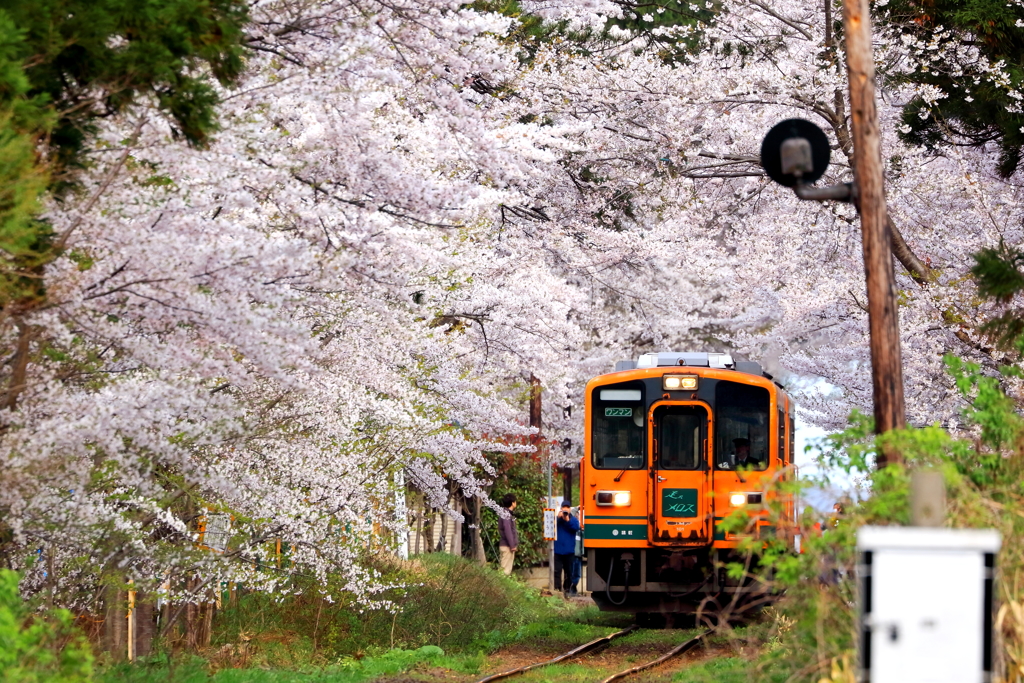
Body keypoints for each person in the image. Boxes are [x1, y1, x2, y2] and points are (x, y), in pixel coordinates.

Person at [554, 500, 580, 597]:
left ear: (570, 509)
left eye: (567, 507)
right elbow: (550, 526)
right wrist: (558, 518)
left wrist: (567, 520)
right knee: (557, 572)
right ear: (561, 508)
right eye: (564, 507)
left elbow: (576, 527)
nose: (565, 509)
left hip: (569, 551)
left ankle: (567, 590)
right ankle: (557, 590)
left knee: (569, 573)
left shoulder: (573, 519)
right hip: (557, 551)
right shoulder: (557, 519)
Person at [497, 493, 519, 576]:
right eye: (515, 501)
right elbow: (508, 530)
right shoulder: (506, 514)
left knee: (505, 570)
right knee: (504, 571)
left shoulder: (505, 513)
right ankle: (500, 588)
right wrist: (512, 545)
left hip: (506, 545)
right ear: (513, 503)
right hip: (507, 546)